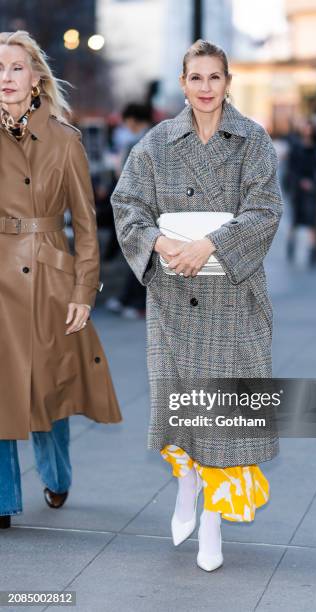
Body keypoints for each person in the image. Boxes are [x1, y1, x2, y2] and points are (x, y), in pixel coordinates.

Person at [111, 39, 283, 571]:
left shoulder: (252, 140)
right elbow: (127, 205)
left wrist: (209, 244)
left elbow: (265, 210)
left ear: (227, 82)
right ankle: (186, 480)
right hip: (173, 298)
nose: (205, 88)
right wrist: (164, 245)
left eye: (214, 78)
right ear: (183, 83)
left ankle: (213, 520)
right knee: (179, 401)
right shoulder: (156, 144)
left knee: (226, 416)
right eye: (196, 78)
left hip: (233, 295)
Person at [0, 31, 122, 530]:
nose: (5, 79)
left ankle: (56, 475)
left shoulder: (65, 140)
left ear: (35, 79)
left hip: (50, 276)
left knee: (48, 389)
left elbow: (86, 227)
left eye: (14, 69)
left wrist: (83, 291)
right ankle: (4, 499)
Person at [105, 103, 152, 318]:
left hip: (144, 209)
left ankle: (135, 303)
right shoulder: (150, 138)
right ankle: (128, 301)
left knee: (142, 257)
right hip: (141, 208)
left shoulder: (143, 141)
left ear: (132, 120)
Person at [286, 117, 316, 266]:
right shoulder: (296, 146)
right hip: (297, 190)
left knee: (311, 219)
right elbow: (291, 169)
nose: (308, 131)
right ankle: (291, 244)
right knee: (296, 219)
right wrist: (299, 182)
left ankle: (313, 249)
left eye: (310, 128)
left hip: (311, 189)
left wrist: (313, 182)